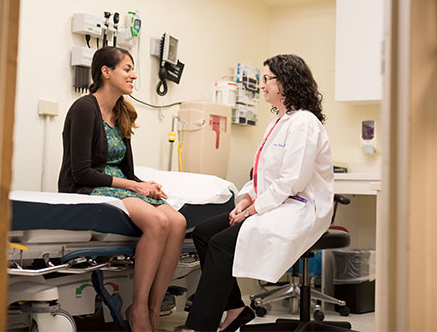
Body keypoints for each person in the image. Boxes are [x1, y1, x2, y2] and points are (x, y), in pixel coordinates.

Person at [184, 54, 334, 331]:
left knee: (221, 243)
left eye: (267, 79)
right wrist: (244, 201)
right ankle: (236, 309)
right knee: (204, 232)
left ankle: (200, 326)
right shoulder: (278, 123)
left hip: (299, 208)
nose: (262, 85)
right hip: (275, 203)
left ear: (286, 82)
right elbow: (260, 176)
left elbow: (293, 180)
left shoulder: (304, 123)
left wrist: (253, 210)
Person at [58, 46, 186, 332]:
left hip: (119, 185)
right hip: (88, 187)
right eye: (127, 69)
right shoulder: (84, 108)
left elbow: (127, 170)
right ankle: (139, 308)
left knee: (177, 221)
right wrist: (134, 186)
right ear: (106, 72)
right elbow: (81, 172)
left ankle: (154, 308)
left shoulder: (122, 111)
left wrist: (145, 186)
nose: (133, 75)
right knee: (156, 222)